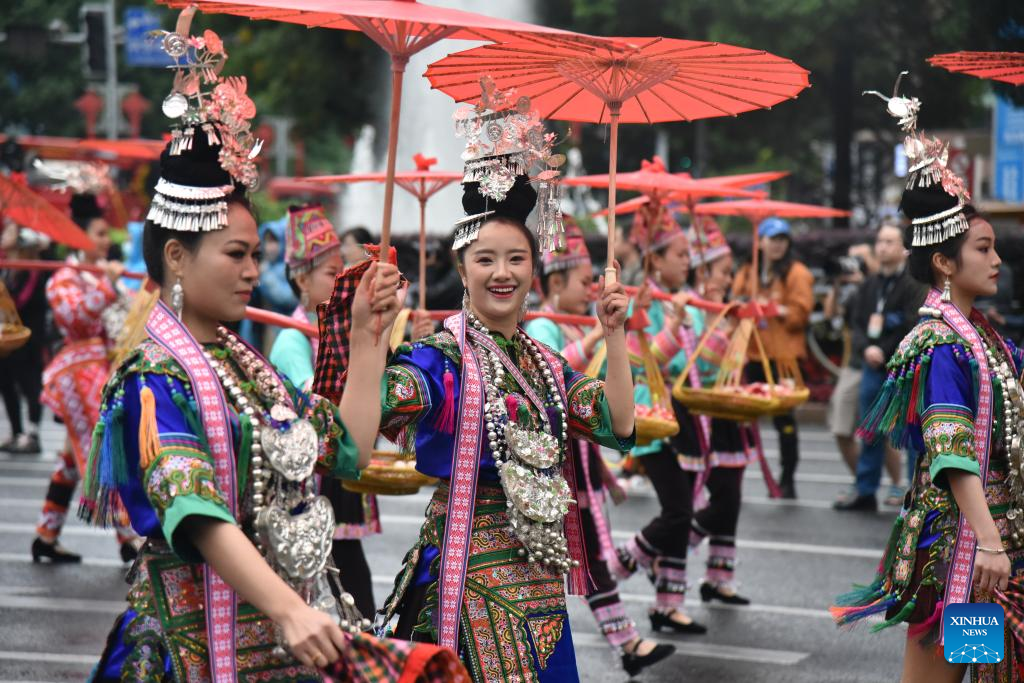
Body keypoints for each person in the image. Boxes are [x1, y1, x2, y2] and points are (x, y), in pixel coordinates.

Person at [83, 20, 461, 682]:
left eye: (257, 254)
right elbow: (193, 508)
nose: (254, 270)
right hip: (187, 643)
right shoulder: (154, 377)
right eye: (236, 253)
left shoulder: (246, 369)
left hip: (275, 642)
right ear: (176, 255)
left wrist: (370, 338)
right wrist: (289, 608)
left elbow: (347, 448)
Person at [361, 88, 636, 681]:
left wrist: (615, 335)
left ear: (534, 269)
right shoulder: (443, 357)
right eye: (485, 259)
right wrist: (372, 340)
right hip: (465, 579)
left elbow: (618, 425)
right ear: (462, 270)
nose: (502, 273)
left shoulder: (546, 363)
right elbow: (385, 405)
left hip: (539, 586)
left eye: (516, 258)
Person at [833, 87, 1024, 682]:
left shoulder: (987, 338)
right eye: (983, 249)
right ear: (944, 261)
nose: (997, 262)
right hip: (961, 553)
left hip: (998, 542)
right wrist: (990, 543)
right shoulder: (943, 343)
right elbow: (951, 453)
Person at [525, 223, 674, 676]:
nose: (592, 287)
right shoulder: (543, 326)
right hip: (551, 469)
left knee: (586, 553)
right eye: (584, 280)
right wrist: (596, 333)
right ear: (554, 284)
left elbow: (609, 385)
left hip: (581, 461)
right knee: (581, 554)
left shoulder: (568, 324)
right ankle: (626, 640)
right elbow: (549, 377)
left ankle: (627, 639)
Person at [270, 203, 380, 618]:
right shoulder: (292, 340)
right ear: (301, 278)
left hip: (331, 464)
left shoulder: (326, 332)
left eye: (342, 273)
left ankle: (361, 640)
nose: (341, 283)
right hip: (307, 473)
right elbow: (315, 404)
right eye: (331, 275)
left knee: (346, 566)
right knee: (327, 572)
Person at [609, 211, 710, 635]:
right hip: (652, 419)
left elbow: (703, 362)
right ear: (654, 262)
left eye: (689, 254)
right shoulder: (636, 303)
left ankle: (668, 604)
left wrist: (730, 318)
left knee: (683, 511)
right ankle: (622, 561)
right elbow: (636, 362)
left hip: (685, 418)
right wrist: (669, 325)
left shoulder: (690, 301)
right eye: (679, 254)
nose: (687, 261)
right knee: (678, 512)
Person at [33, 190, 139, 563]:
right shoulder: (63, 278)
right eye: (98, 233)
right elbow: (74, 317)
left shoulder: (100, 275)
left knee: (71, 458)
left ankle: (46, 534)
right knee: (104, 451)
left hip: (98, 370)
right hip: (77, 374)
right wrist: (109, 287)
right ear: (79, 238)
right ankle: (129, 537)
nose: (105, 240)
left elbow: (130, 311)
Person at [686, 220, 756, 606]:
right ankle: (668, 548)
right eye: (724, 273)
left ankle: (719, 575)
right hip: (701, 412)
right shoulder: (695, 311)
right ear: (703, 272)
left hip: (726, 410)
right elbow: (702, 363)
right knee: (720, 498)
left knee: (732, 495)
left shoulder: (718, 309)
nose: (729, 280)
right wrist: (725, 327)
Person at [833, 222, 925, 511]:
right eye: (880, 241)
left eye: (889, 241)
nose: (882, 247)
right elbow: (857, 323)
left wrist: (882, 350)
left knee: (910, 434)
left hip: (903, 367)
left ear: (904, 249)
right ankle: (865, 490)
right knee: (870, 430)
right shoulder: (870, 285)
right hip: (872, 367)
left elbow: (913, 324)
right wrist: (867, 349)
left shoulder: (914, 284)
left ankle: (915, 493)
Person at [732, 217, 814, 498]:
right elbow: (735, 302)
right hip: (754, 355)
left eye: (783, 240)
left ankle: (787, 477)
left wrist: (777, 310)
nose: (778, 245)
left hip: (784, 358)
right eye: (773, 239)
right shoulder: (748, 270)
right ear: (761, 242)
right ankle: (737, 471)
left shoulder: (797, 272)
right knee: (742, 415)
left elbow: (801, 313)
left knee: (784, 419)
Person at [0, 223, 50, 454]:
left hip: (30, 340)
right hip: (7, 339)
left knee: (30, 385)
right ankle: (16, 430)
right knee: (6, 384)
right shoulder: (8, 268)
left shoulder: (32, 271)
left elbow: (19, 301)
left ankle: (32, 433)